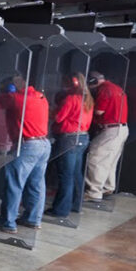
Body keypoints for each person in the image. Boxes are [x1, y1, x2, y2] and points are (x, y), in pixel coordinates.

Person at [0, 76, 50, 234]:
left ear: (11, 89)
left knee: (13, 184)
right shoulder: (41, 97)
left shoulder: (16, 98)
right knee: (36, 184)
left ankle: (7, 222)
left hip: (28, 145)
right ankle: (32, 219)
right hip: (43, 144)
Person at [45, 73, 94, 217]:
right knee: (76, 173)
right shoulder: (87, 98)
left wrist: (48, 110)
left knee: (66, 175)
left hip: (69, 139)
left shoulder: (72, 98)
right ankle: (75, 204)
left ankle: (61, 210)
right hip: (82, 137)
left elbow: (59, 117)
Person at [84, 71, 129, 202]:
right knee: (109, 159)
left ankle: (94, 192)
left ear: (93, 81)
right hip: (120, 128)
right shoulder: (116, 87)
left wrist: (87, 103)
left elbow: (99, 111)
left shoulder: (104, 90)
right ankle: (107, 187)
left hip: (111, 129)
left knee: (95, 158)